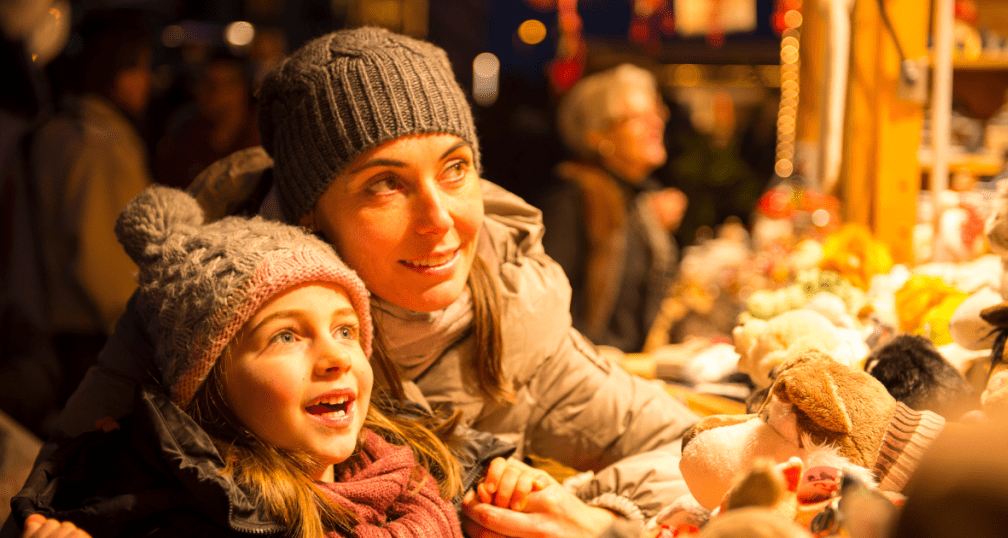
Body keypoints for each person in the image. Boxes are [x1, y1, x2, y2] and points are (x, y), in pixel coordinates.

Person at [51, 27, 701, 537]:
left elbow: (699, 453)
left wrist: (598, 519)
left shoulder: (510, 318)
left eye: (455, 169)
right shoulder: (197, 313)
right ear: (308, 213)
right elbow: (60, 495)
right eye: (385, 184)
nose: (440, 220)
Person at [5, 185, 466, 537]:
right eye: (286, 335)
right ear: (210, 381)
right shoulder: (165, 520)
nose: (335, 358)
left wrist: (519, 499)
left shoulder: (421, 468)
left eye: (345, 330)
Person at [26, 8, 154, 418]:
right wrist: (142, 330)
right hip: (96, 334)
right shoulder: (98, 143)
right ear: (113, 70)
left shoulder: (58, 129)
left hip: (61, 327)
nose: (146, 82)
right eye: (139, 68)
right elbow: (100, 258)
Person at [538, 63, 687, 353]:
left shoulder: (634, 199)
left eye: (656, 111)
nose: (655, 122)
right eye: (636, 117)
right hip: (592, 376)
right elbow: (548, 313)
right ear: (598, 136)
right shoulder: (572, 201)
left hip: (631, 370)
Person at [154, 51, 261, 190]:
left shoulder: (264, 140)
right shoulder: (183, 137)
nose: (215, 93)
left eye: (226, 84)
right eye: (206, 82)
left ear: (243, 89)